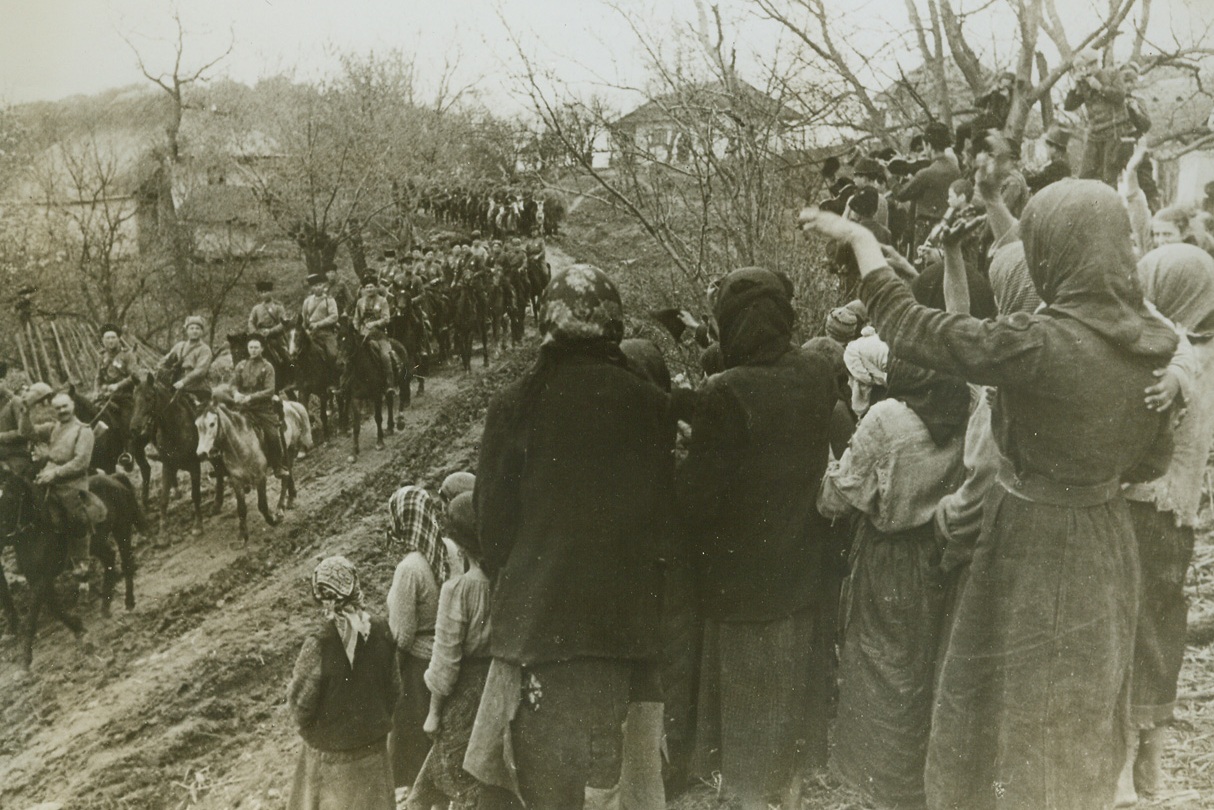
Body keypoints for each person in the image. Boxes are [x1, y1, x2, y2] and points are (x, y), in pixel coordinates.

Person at [799, 179, 1176, 810]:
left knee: (1015, 709)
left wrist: (862, 241)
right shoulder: (1151, 349)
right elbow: (1149, 464)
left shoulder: (1044, 342)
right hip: (1107, 540)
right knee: (1076, 709)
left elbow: (914, 328)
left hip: (1033, 539)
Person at [471, 264, 675, 810]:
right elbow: (662, 519)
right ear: (613, 323)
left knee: (544, 788)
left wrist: (523, 576)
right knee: (613, 785)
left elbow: (491, 525)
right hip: (623, 632)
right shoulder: (651, 404)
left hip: (537, 632)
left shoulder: (515, 403)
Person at [677, 267, 836, 809]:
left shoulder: (725, 392)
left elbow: (698, 502)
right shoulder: (818, 372)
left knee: (744, 754)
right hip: (805, 583)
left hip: (743, 596)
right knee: (790, 740)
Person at [818, 350, 969, 809]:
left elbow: (836, 500)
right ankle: (917, 783)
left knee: (878, 668)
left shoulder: (887, 418)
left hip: (887, 555)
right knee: (921, 667)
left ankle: (880, 786)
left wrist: (827, 466)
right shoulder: (963, 411)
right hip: (937, 553)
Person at [1116, 243, 1214, 804]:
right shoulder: (1205, 357)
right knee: (1161, 628)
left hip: (1134, 508)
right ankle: (1152, 746)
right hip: (1178, 519)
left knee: (1125, 632)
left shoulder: (1160, 358)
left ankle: (1123, 768)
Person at [287, 556, 398, 810]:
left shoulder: (319, 644)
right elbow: (394, 691)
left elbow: (300, 708)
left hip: (331, 764)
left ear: (321, 596)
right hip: (373, 759)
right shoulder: (380, 631)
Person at [409, 492, 492, 810]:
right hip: (494, 692)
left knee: (453, 783)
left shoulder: (457, 590)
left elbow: (445, 665)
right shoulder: (501, 583)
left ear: (458, 545)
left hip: (462, 698)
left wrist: (432, 714)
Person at [385, 485, 445, 791]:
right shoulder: (448, 549)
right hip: (446, 656)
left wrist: (390, 676)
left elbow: (403, 636)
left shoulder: (409, 569)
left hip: (418, 668)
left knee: (410, 747)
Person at [24, 391, 100, 580]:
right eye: (57, 408)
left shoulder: (83, 430)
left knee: (76, 516)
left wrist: (55, 474)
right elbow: (26, 432)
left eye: (65, 406)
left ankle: (82, 560)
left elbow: (81, 462)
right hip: (48, 478)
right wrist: (25, 412)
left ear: (72, 406)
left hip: (72, 482)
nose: (62, 411)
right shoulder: (53, 428)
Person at [1065, 49, 1133, 187]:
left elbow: (1120, 96)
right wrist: (1075, 86)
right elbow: (1069, 106)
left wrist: (1100, 88)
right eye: (1083, 68)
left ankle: (1110, 207)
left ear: (1096, 64)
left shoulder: (1112, 74)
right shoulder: (1083, 83)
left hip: (1113, 132)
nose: (1086, 71)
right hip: (1094, 133)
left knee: (1108, 177)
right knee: (1085, 175)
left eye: (1088, 67)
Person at [894, 122, 961, 249]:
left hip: (927, 232)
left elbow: (901, 194)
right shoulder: (956, 170)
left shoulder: (927, 173)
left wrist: (888, 176)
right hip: (949, 229)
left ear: (929, 145)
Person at [230, 336, 285, 478]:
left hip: (262, 408)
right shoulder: (241, 365)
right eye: (250, 347)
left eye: (256, 347)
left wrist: (251, 397)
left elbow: (270, 391)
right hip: (243, 407)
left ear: (262, 349)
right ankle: (228, 466)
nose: (253, 350)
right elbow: (233, 383)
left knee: (272, 435)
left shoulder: (267, 367)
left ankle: (278, 466)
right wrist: (235, 393)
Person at [93, 323, 139, 442]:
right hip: (105, 396)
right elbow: (98, 377)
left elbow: (134, 376)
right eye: (107, 338)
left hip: (124, 397)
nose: (110, 341)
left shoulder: (127, 354)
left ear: (119, 339)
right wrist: (96, 391)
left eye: (113, 337)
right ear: (103, 340)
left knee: (126, 426)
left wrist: (117, 386)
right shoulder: (102, 356)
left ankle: (127, 453)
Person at [158, 316, 213, 408]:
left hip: (197, 388)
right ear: (187, 330)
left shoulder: (205, 349)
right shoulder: (179, 346)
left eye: (197, 328)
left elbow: (200, 371)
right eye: (191, 328)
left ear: (202, 332)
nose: (194, 331)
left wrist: (183, 382)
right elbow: (165, 360)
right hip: (176, 385)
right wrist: (159, 368)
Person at [353, 280, 396, 381]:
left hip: (378, 334)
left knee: (385, 356)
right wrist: (357, 328)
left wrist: (374, 323)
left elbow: (386, 318)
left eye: (371, 287)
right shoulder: (360, 302)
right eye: (367, 287)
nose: (369, 289)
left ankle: (389, 382)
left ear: (376, 288)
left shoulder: (382, 301)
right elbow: (356, 318)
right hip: (362, 334)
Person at [301, 274, 341, 371]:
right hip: (311, 333)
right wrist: (304, 330)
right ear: (311, 287)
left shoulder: (329, 300)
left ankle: (333, 380)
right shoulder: (307, 301)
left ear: (323, 286)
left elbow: (334, 316)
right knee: (299, 353)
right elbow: (303, 317)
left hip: (326, 332)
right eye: (315, 286)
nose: (317, 288)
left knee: (333, 354)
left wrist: (318, 324)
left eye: (319, 285)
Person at [247, 280, 289, 368]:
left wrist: (270, 331)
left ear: (271, 292)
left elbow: (283, 323)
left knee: (285, 356)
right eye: (261, 292)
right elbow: (251, 322)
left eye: (266, 292)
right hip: (259, 336)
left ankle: (290, 371)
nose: (263, 294)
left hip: (275, 336)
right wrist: (255, 333)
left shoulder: (278, 306)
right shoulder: (256, 308)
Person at [1026, 125, 1074, 193]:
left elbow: (1035, 180)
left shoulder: (1058, 165)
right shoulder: (1062, 163)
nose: (1047, 150)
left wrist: (1025, 172)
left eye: (1048, 147)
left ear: (1054, 148)